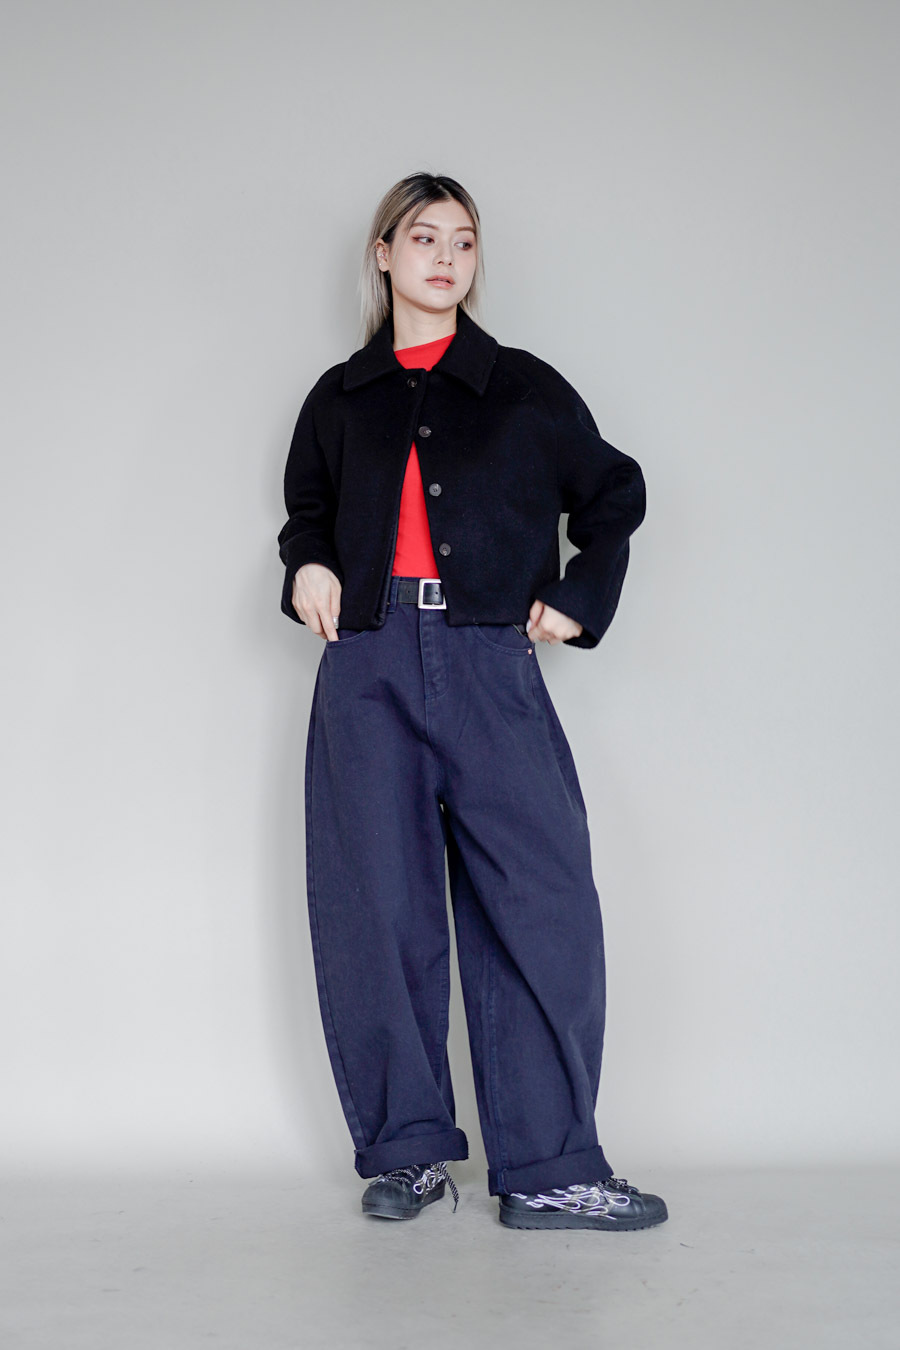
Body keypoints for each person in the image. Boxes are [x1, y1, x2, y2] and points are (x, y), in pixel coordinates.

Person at [276, 171, 667, 1232]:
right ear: (383, 254)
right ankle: (408, 1152)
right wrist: (308, 565)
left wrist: (581, 595)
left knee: (540, 900)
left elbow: (615, 492)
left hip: (490, 654)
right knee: (376, 906)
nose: (445, 257)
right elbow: (306, 512)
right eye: (424, 238)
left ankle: (549, 1169)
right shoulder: (339, 397)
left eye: (463, 240)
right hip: (366, 662)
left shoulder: (522, 388)